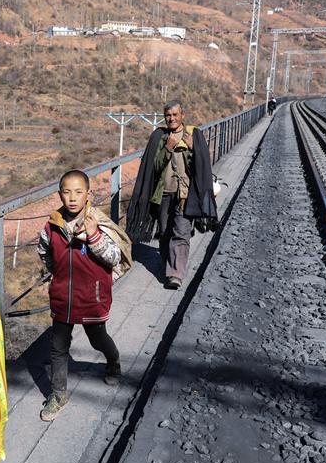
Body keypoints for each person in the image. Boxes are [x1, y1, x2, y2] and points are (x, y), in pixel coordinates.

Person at [36, 170, 131, 422]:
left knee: (97, 339)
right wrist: (56, 275)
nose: (72, 198)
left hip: (92, 297)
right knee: (58, 348)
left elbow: (114, 257)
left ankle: (113, 361)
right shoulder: (51, 226)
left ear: (88, 194)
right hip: (62, 298)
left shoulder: (98, 222)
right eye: (67, 192)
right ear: (60, 195)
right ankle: (58, 394)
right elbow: (45, 252)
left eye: (78, 192)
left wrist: (94, 236)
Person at [125, 100, 217, 290]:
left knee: (181, 232)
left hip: (185, 194)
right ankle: (168, 262)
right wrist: (167, 148)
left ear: (182, 115)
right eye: (168, 115)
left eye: (175, 115)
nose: (172, 118)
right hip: (164, 194)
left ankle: (175, 274)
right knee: (166, 232)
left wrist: (193, 149)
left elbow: (202, 166)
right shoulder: (159, 136)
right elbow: (154, 167)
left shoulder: (194, 134)